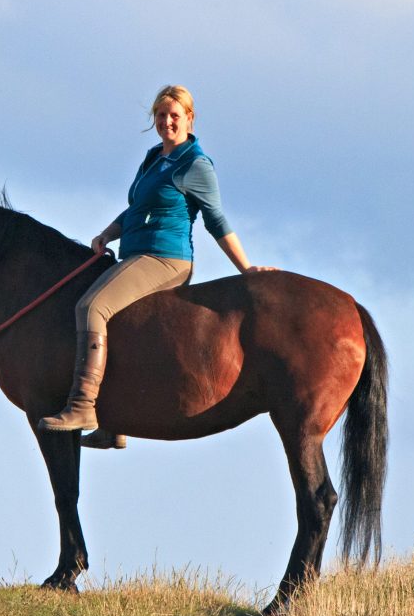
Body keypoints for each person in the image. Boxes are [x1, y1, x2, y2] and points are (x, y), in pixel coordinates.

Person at [39, 86, 270, 447]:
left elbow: (216, 221)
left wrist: (246, 269)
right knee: (114, 316)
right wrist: (107, 234)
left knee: (91, 306)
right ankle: (115, 425)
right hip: (135, 253)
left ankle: (83, 405)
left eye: (174, 115)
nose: (167, 122)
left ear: (189, 118)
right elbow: (134, 208)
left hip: (166, 259)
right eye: (161, 115)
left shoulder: (195, 164)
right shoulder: (152, 158)